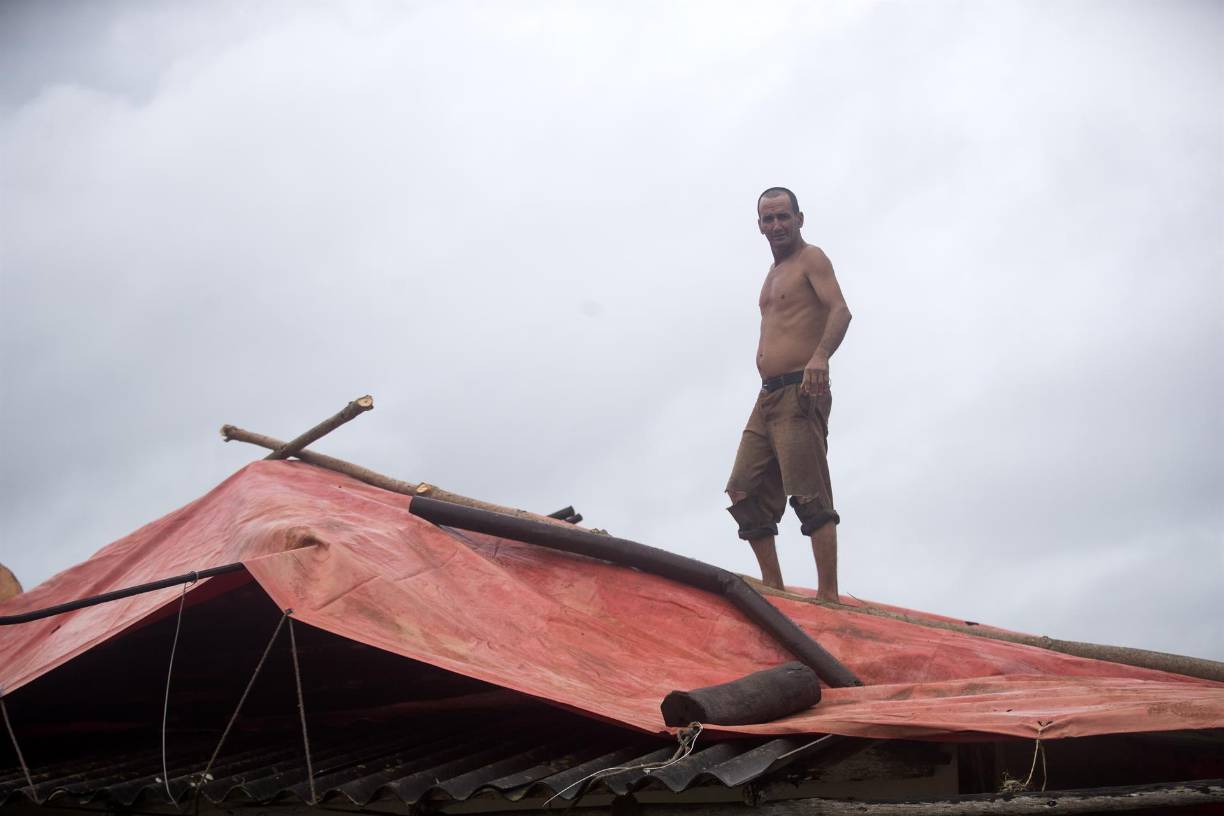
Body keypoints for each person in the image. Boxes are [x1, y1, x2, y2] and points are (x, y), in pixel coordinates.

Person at [725, 187, 852, 601]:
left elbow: (840, 309)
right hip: (767, 397)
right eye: (769, 219)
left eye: (783, 217)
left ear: (800, 218)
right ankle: (774, 588)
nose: (777, 225)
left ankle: (829, 597)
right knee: (743, 489)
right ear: (759, 225)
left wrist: (820, 357)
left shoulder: (810, 258)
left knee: (809, 493)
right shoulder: (772, 274)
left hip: (801, 387)